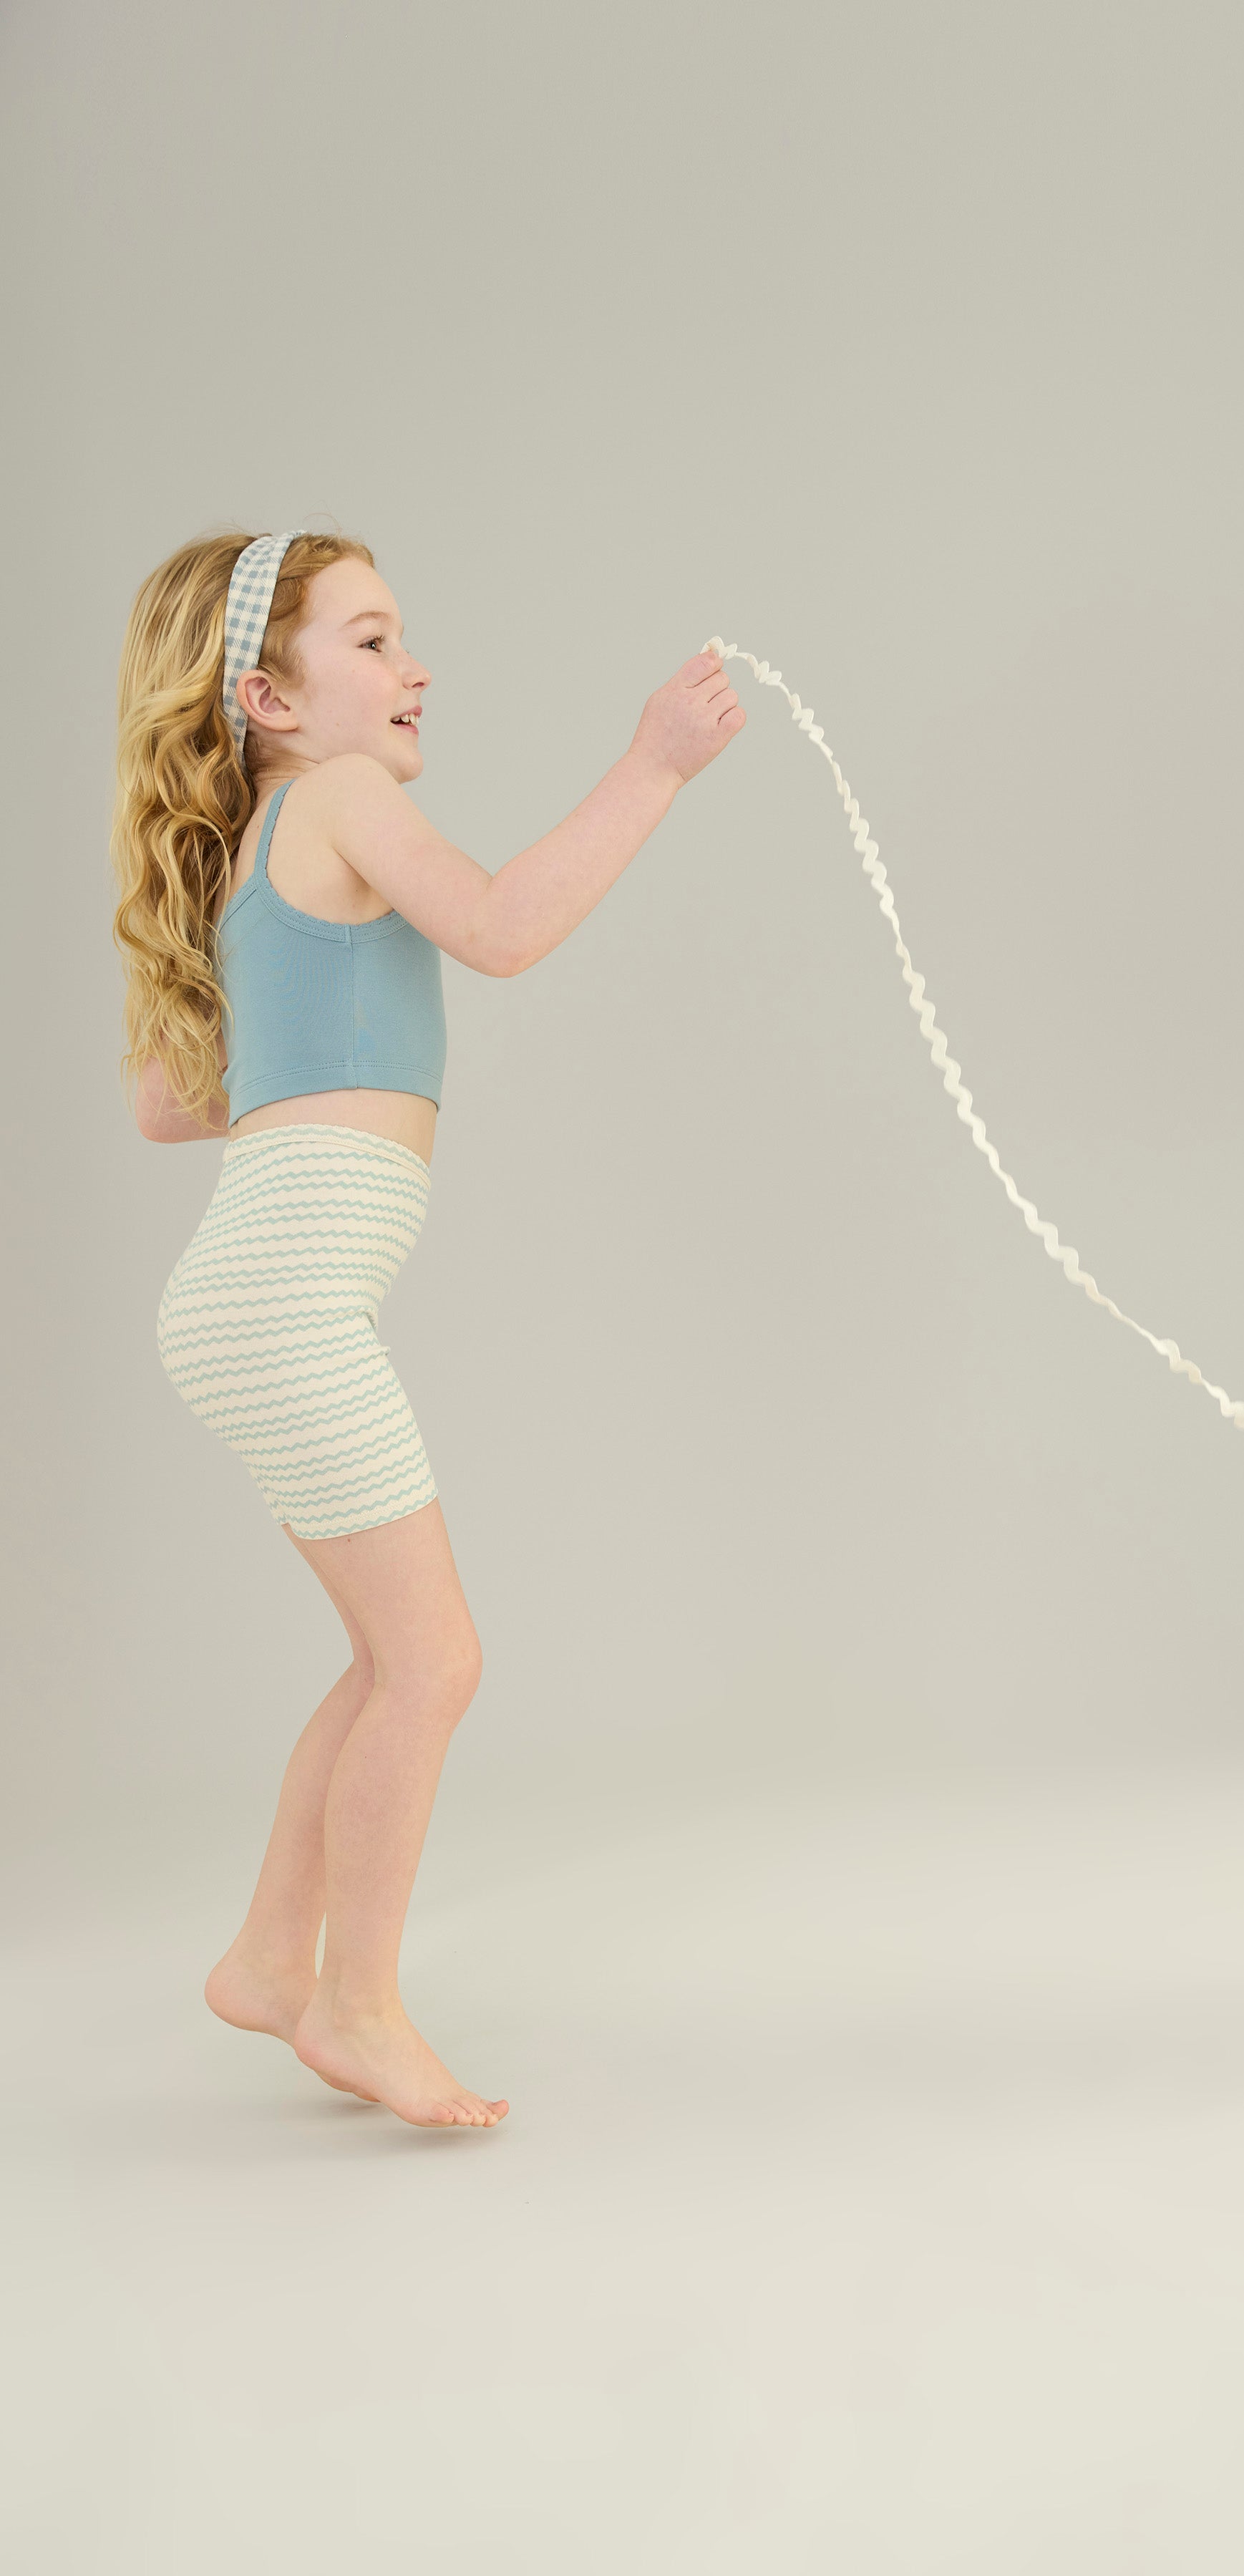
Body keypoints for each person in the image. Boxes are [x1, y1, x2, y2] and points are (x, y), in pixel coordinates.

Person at [113, 530, 744, 2126]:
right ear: (271, 698)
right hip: (282, 1302)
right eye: (376, 640)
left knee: (390, 1656)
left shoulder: (258, 842)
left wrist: (316, 1055)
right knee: (435, 1660)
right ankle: (357, 2002)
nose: (417, 669)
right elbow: (504, 923)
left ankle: (275, 1957)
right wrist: (654, 766)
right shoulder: (336, 797)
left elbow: (166, 1105)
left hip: (251, 1296)